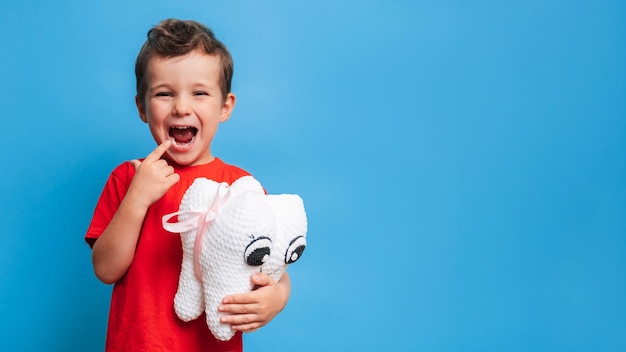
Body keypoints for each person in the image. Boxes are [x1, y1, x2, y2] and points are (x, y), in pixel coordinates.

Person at [85, 18, 291, 352]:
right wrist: (137, 199)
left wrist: (278, 297)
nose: (181, 107)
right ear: (142, 107)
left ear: (224, 106)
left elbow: (272, 266)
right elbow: (105, 269)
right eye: (164, 94)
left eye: (199, 93)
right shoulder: (128, 177)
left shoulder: (242, 188)